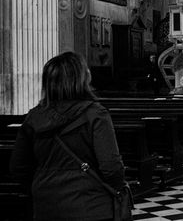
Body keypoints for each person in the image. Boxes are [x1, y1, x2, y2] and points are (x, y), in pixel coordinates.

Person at [9, 51, 127, 221]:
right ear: (81, 79)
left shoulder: (33, 117)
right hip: (91, 205)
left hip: (46, 205)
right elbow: (111, 167)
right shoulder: (95, 114)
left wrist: (44, 184)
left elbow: (18, 167)